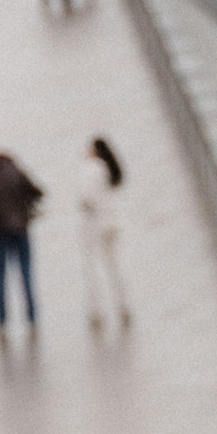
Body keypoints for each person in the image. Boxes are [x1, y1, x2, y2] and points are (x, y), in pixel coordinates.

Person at [78, 134, 132, 332]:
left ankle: (96, 310)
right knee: (116, 264)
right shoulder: (111, 170)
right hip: (114, 223)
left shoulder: (91, 169)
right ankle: (124, 304)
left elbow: (86, 198)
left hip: (95, 225)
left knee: (94, 268)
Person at [0, 151, 41, 332]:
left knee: (0, 277)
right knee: (26, 274)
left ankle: (1, 320)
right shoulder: (17, 172)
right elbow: (38, 192)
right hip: (20, 230)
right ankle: (31, 317)